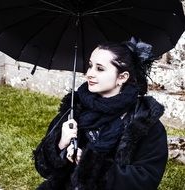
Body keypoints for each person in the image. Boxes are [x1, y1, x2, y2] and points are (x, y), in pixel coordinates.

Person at [33, 38, 168, 190]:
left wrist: (90, 164)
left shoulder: (143, 121)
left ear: (122, 77)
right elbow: (43, 167)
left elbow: (145, 180)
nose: (89, 74)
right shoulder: (74, 108)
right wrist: (60, 145)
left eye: (100, 69)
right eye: (90, 66)